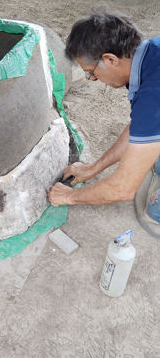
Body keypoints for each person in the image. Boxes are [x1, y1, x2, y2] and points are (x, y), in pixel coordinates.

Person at [48, 11, 160, 219]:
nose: (93, 78)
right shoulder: (152, 51)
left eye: (92, 72)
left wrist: (70, 197)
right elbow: (141, 126)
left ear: (110, 59)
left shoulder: (154, 92)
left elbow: (122, 188)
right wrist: (93, 168)